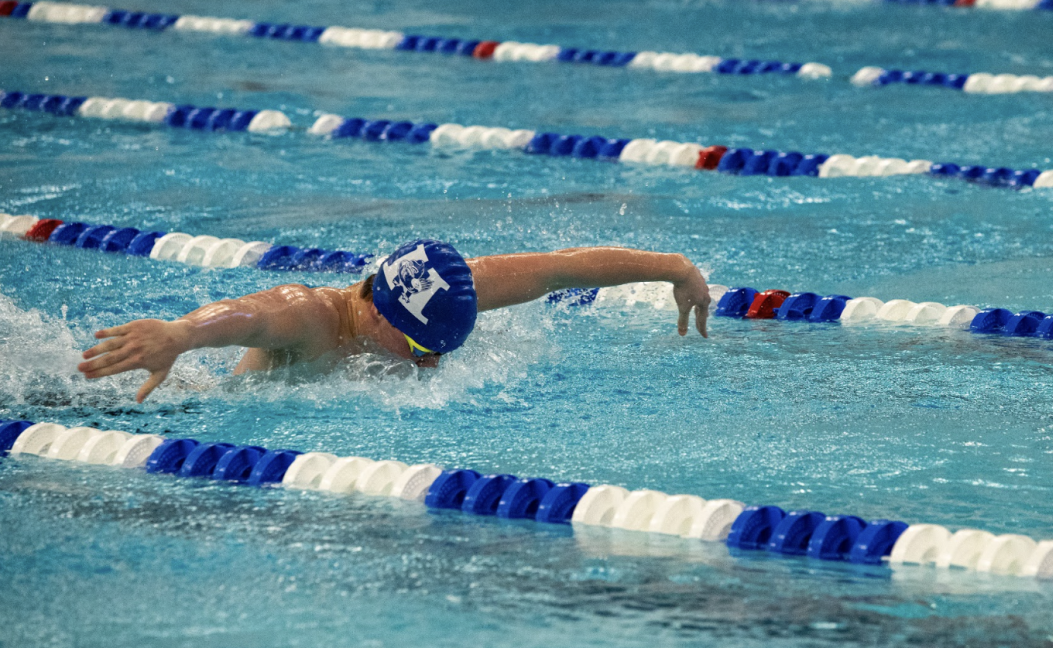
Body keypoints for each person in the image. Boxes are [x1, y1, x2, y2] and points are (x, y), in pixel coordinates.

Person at [78, 240, 712, 402]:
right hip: (196, 410)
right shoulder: (315, 320)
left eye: (438, 351)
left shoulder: (444, 291)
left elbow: (556, 270)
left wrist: (673, 267)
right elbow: (254, 314)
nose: (429, 365)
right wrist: (182, 334)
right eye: (419, 348)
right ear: (378, 312)